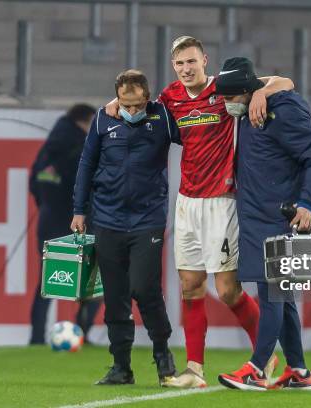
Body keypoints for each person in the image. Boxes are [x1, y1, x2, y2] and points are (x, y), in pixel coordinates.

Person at [106, 36, 294, 388]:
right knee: (191, 286)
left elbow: (285, 82)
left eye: (191, 62)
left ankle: (265, 356)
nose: (186, 69)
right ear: (173, 66)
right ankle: (194, 370)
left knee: (227, 290)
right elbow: (139, 103)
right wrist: (115, 101)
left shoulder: (224, 88)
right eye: (179, 64)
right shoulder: (169, 98)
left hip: (222, 201)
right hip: (187, 202)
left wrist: (259, 93)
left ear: (204, 60)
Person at [215, 57, 311, 391]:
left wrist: (307, 203)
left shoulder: (284, 111)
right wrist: (266, 87)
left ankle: (256, 368)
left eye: (230, 99)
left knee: (273, 295)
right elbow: (274, 79)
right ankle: (298, 371)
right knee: (281, 296)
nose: (226, 105)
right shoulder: (255, 101)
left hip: (277, 218)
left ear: (245, 92)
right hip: (257, 216)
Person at [71, 70, 180, 386]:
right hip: (107, 218)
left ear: (148, 98)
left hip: (148, 219)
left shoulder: (163, 118)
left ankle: (162, 355)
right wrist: (79, 210)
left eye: (136, 105)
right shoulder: (103, 119)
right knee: (115, 295)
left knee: (144, 288)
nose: (131, 111)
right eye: (124, 104)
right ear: (116, 99)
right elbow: (87, 165)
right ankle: (121, 366)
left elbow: (196, 141)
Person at [29, 103, 101, 345]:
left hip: (49, 221)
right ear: (85, 121)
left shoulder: (47, 149)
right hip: (78, 222)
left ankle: (37, 337)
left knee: (48, 282)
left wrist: (46, 204)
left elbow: (34, 182)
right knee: (92, 279)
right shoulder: (83, 147)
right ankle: (81, 330)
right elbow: (89, 185)